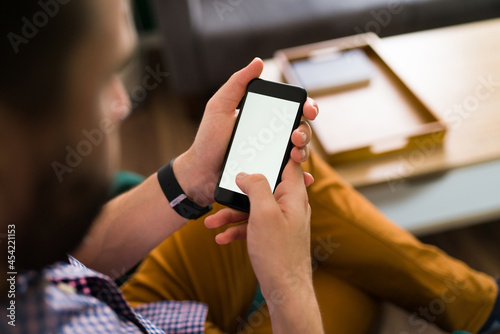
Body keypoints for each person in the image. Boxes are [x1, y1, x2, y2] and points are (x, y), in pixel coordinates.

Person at [0, 1, 498, 333]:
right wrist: (288, 287)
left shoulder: (14, 250)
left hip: (132, 300)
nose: (121, 104)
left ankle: (482, 307)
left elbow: (60, 261)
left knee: (281, 182)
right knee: (342, 280)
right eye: (105, 73)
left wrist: (193, 174)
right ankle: (484, 309)